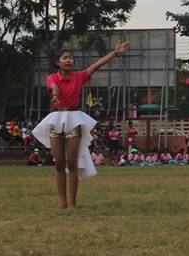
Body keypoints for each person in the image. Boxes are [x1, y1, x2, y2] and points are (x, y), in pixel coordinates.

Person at [32, 41, 130, 209]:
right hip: (57, 118)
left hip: (73, 118)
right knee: (59, 163)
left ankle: (72, 202)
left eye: (71, 58)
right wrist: (55, 93)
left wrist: (114, 53)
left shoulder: (79, 76)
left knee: (72, 162)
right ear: (57, 62)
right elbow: (53, 86)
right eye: (65, 58)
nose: (69, 60)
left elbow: (97, 65)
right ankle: (62, 201)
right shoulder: (53, 77)